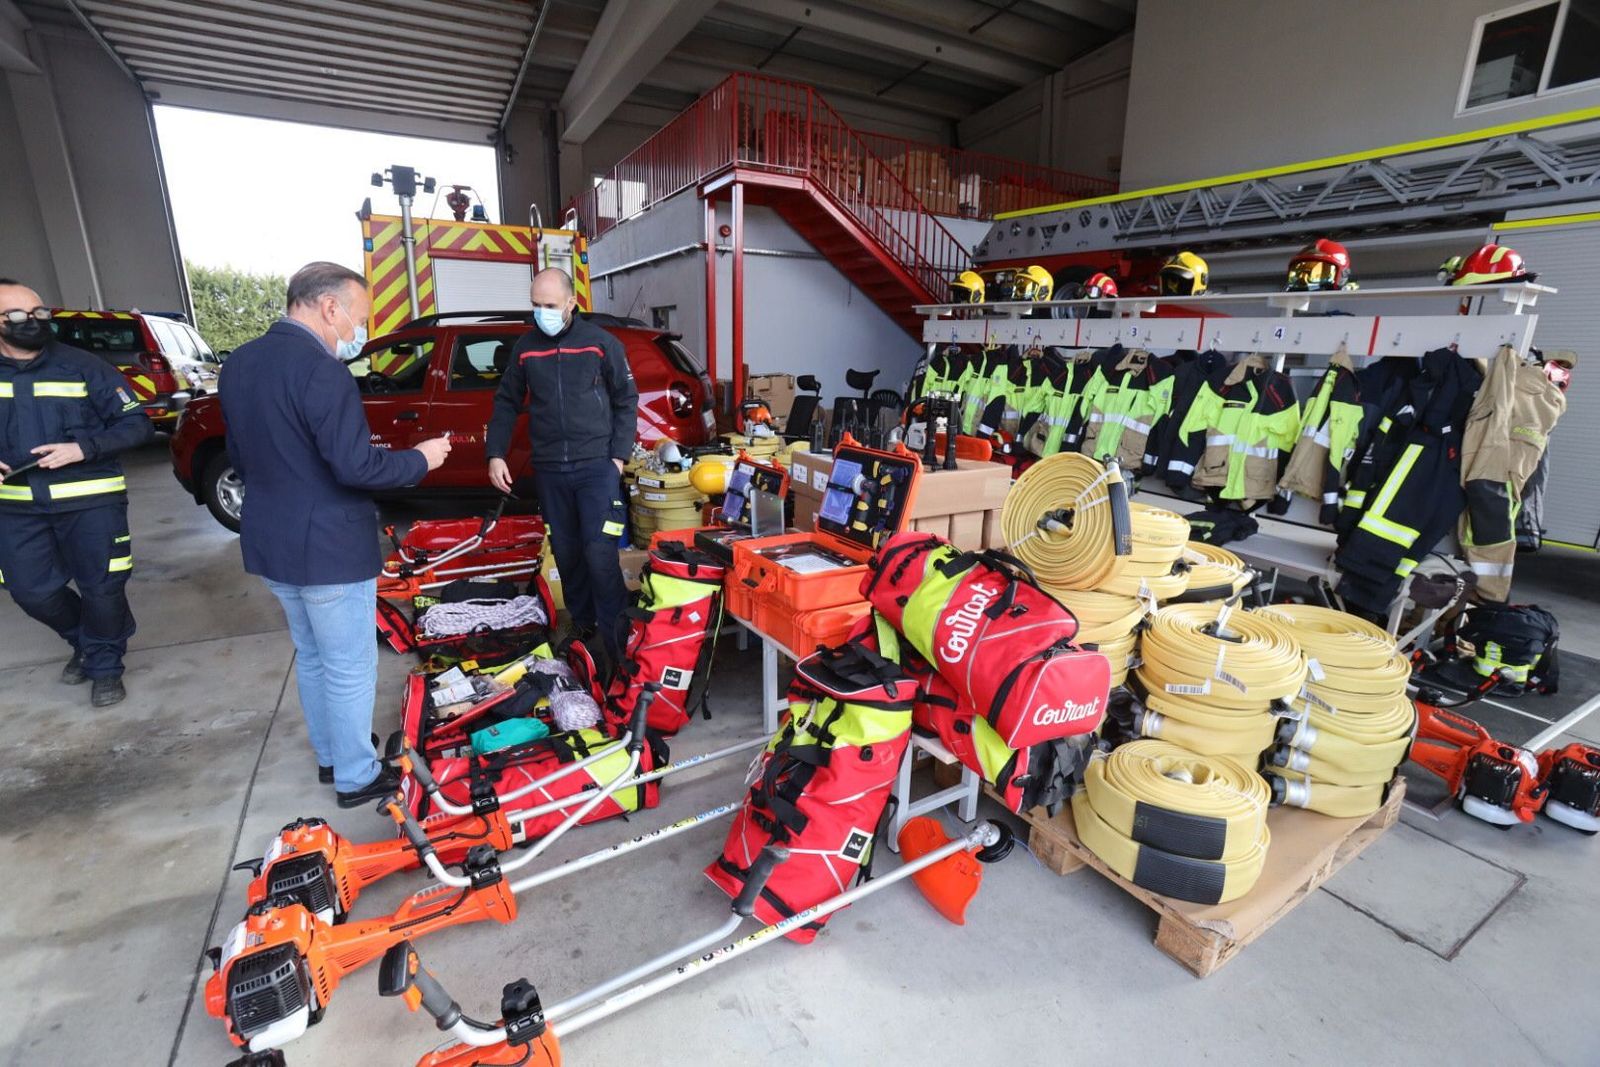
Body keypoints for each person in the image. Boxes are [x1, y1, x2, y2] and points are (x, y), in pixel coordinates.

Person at [220, 262, 452, 807]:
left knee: (314, 654)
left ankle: (333, 754)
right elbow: (356, 469)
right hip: (326, 546)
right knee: (349, 663)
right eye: (357, 319)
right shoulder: (321, 371)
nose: (356, 332)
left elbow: (240, 455)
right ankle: (354, 774)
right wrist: (420, 458)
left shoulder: (241, 363)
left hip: (271, 539)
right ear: (329, 307)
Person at [0, 279, 154, 707]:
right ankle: (87, 642)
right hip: (16, 507)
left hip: (91, 500)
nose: (31, 323)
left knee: (102, 587)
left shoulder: (84, 366)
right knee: (31, 591)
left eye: (38, 314)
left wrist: (83, 448)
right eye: (17, 317)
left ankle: (105, 666)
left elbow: (137, 424)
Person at [486, 268, 637, 661]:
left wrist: (618, 459)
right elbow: (506, 401)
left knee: (599, 554)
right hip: (551, 470)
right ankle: (584, 626)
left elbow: (626, 400)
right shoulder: (526, 348)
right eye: (535, 306)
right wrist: (495, 452)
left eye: (549, 306)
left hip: (596, 468)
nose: (541, 313)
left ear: (571, 303)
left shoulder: (601, 344)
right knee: (567, 554)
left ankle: (618, 638)